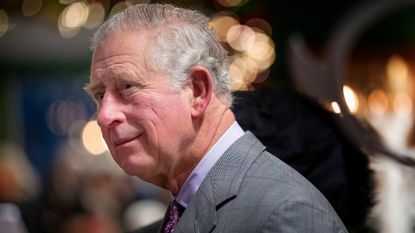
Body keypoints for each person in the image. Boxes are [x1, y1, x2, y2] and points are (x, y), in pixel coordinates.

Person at [85, 3, 348, 232]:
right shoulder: (189, 204)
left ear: (198, 91)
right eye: (99, 95)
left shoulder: (283, 213)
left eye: (127, 87)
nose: (104, 116)